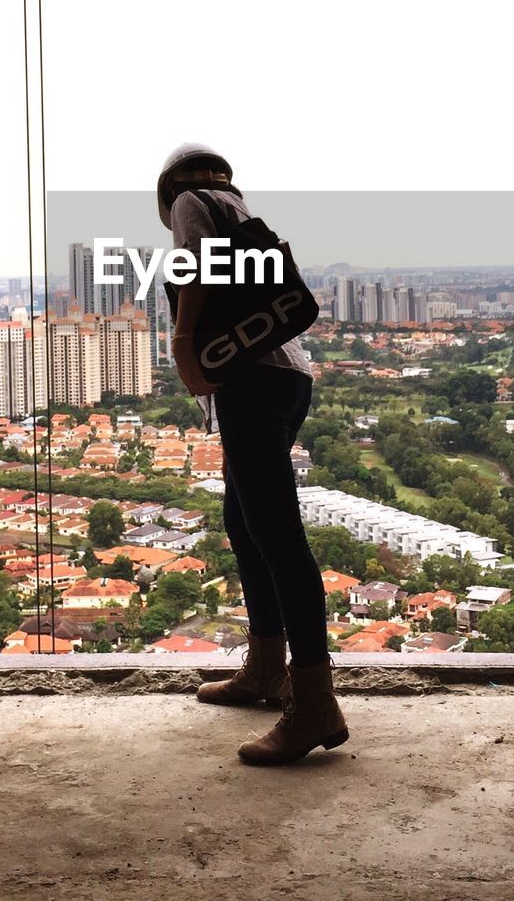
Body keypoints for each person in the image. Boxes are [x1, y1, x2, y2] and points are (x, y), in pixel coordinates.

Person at [157, 142, 349, 765]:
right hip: (287, 378)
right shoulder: (239, 212)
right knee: (244, 522)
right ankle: (266, 668)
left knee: (276, 536)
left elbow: (196, 264)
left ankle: (313, 701)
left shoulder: (193, 202)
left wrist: (185, 342)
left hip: (252, 382)